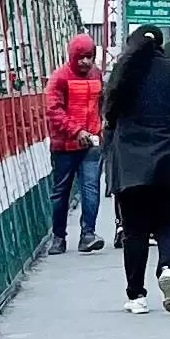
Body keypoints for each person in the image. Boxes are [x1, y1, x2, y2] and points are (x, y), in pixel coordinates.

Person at [102, 23, 170, 314]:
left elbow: (109, 114)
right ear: (161, 44)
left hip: (131, 162)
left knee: (135, 230)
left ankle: (136, 297)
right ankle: (168, 268)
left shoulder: (121, 73)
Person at [43, 29, 104, 255]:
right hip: (65, 146)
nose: (86, 61)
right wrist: (76, 131)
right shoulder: (59, 78)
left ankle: (88, 234)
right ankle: (58, 237)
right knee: (61, 193)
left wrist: (101, 124)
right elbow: (53, 110)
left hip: (90, 144)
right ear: (72, 56)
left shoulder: (96, 75)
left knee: (91, 188)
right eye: (81, 57)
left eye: (89, 56)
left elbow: (102, 101)